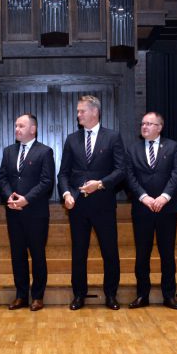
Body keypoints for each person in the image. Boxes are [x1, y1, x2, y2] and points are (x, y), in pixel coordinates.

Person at [57, 95, 127, 310]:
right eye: (78, 111)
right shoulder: (72, 139)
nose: (78, 115)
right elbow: (63, 173)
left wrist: (101, 184)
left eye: (82, 111)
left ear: (94, 112)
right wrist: (66, 194)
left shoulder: (112, 137)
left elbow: (121, 170)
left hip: (104, 204)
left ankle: (111, 295)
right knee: (79, 252)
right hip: (77, 205)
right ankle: (79, 295)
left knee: (109, 252)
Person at [0, 113, 55, 311]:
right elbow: (2, 178)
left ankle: (37, 296)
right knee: (17, 255)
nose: (17, 129)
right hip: (13, 212)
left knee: (37, 255)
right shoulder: (8, 151)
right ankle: (21, 295)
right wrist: (9, 197)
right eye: (16, 126)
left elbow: (47, 182)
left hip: (36, 213)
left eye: (21, 126)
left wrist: (26, 199)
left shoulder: (44, 152)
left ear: (33, 129)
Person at [126, 112, 177, 309]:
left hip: (166, 209)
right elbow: (129, 176)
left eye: (150, 124)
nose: (144, 127)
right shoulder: (132, 149)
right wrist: (144, 197)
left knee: (167, 254)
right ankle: (142, 295)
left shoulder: (172, 146)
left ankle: (169, 295)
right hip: (142, 209)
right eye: (143, 123)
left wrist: (164, 197)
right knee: (142, 254)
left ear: (159, 127)